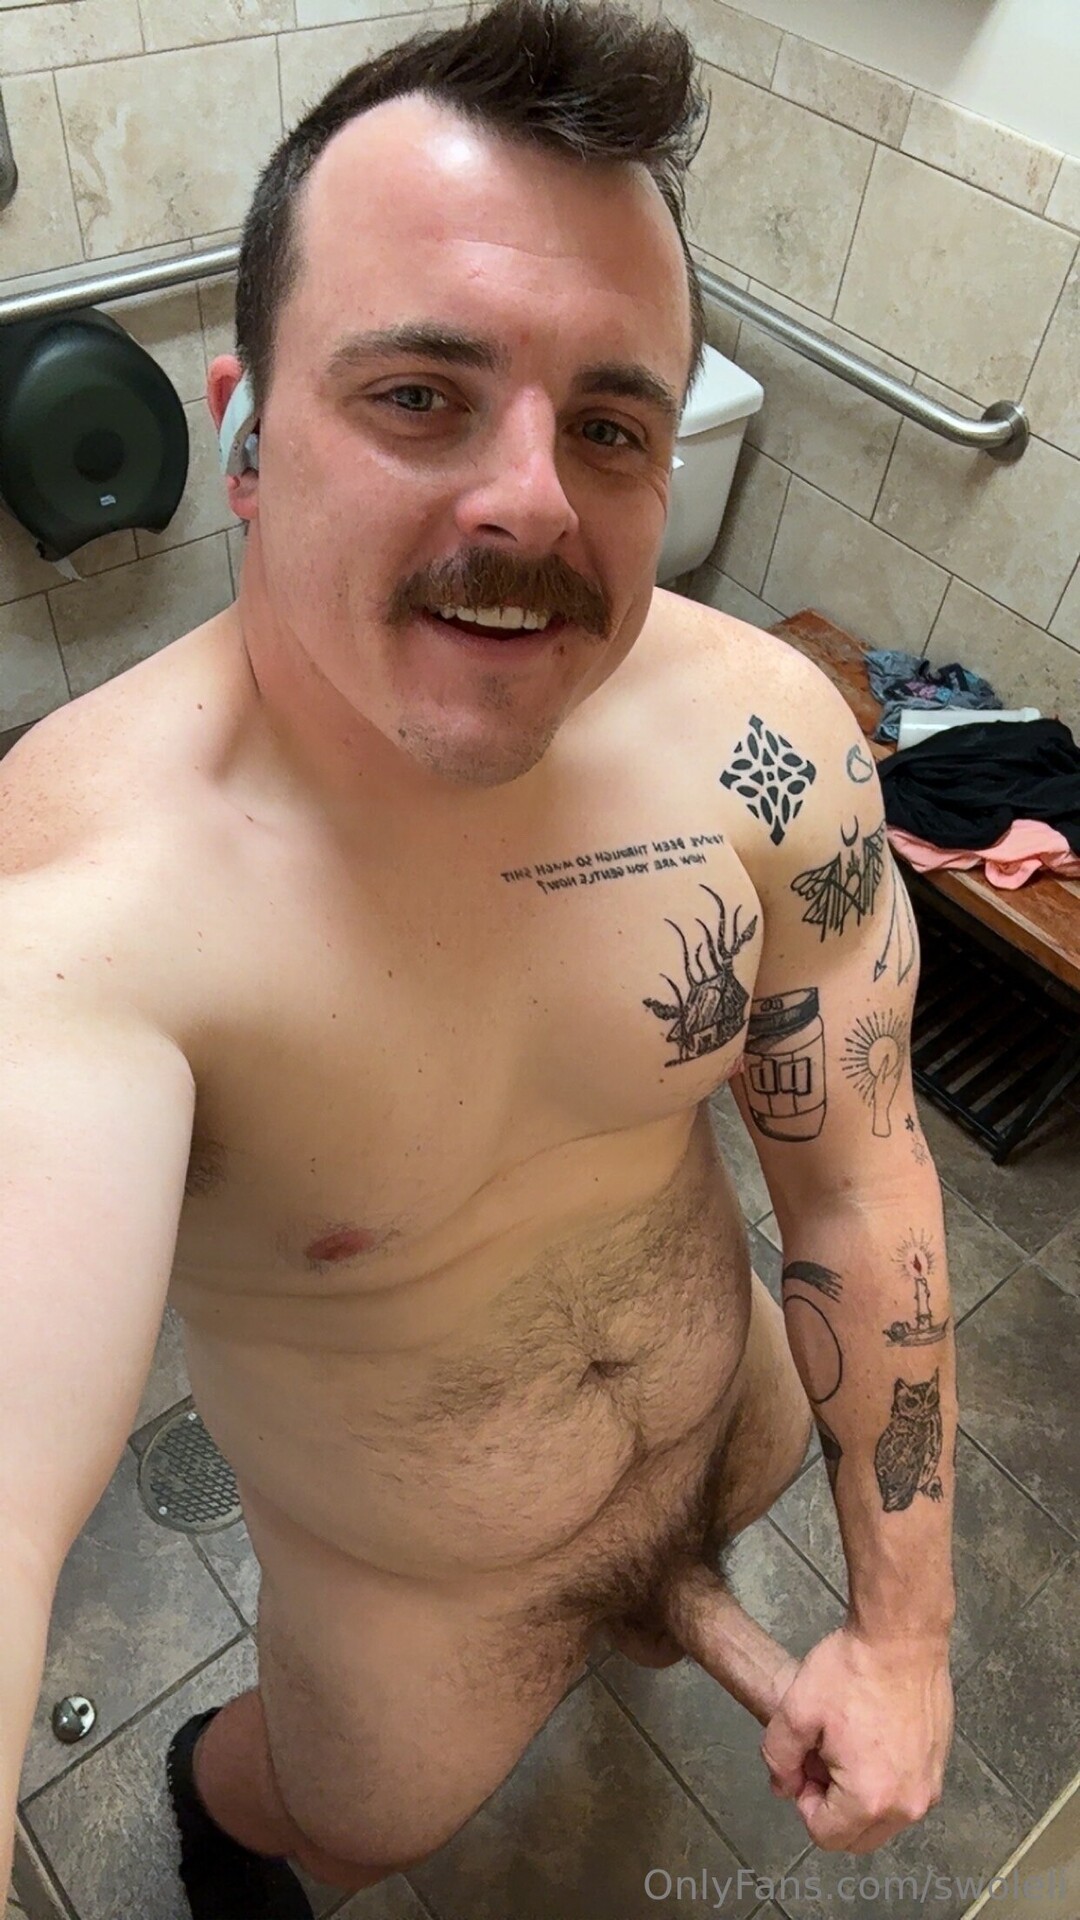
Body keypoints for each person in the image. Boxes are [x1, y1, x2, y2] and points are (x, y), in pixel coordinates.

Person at [0, 0, 956, 1912]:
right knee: (351, 1828)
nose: (533, 499)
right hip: (417, 1605)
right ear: (245, 436)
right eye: (421, 396)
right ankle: (221, 1803)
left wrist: (909, 1630)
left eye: (609, 425)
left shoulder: (761, 741)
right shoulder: (87, 906)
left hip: (740, 1429)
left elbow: (856, 1176)